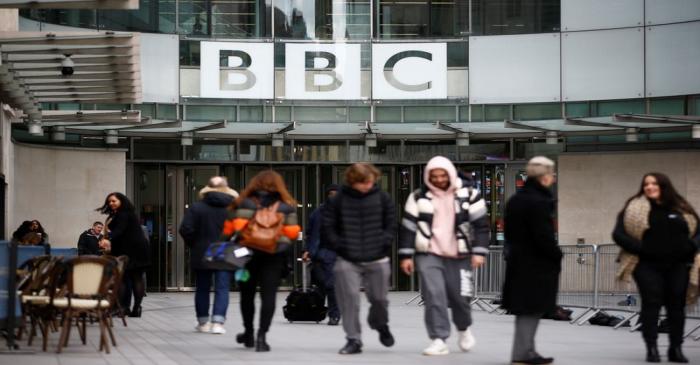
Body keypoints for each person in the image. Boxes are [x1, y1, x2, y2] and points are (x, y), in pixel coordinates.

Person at [398, 156, 490, 356]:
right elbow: (407, 228)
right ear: (427, 176)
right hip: (428, 253)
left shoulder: (470, 194)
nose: (439, 179)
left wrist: (479, 252)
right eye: (434, 176)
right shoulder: (417, 197)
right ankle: (438, 338)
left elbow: (481, 226)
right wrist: (405, 256)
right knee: (434, 295)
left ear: (450, 173)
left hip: (461, 254)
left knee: (460, 298)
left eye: (442, 175)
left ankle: (464, 328)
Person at [613, 173, 699, 363]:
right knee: (652, 302)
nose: (649, 187)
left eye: (654, 183)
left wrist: (691, 247)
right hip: (646, 265)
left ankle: (675, 348)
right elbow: (618, 234)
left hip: (677, 265)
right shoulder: (634, 206)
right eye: (646, 184)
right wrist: (641, 248)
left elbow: (697, 231)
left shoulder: (681, 206)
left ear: (664, 185)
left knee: (676, 306)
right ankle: (652, 348)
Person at [221, 170, 301, 352]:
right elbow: (292, 234)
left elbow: (229, 231)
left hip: (246, 256)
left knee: (246, 295)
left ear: (254, 184)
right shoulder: (285, 207)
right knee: (269, 296)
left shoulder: (242, 203)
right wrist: (277, 248)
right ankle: (262, 337)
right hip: (273, 257)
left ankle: (248, 333)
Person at [321, 163, 396, 355]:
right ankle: (353, 339)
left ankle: (380, 324)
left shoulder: (382, 198)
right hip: (347, 258)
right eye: (362, 183)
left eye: (370, 182)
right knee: (349, 299)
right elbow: (328, 226)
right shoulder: (338, 200)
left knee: (379, 299)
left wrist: (384, 242)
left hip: (377, 257)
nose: (366, 186)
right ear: (352, 181)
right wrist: (339, 245)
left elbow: (391, 224)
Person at [502, 156, 562, 365]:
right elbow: (543, 236)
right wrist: (557, 254)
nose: (553, 179)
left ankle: (527, 351)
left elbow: (509, 232)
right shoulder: (539, 201)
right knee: (531, 309)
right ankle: (522, 353)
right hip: (537, 265)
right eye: (552, 174)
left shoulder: (516, 199)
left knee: (526, 309)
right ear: (545, 177)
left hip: (519, 262)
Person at [179, 176, 239, 335]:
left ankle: (203, 322)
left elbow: (185, 229)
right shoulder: (233, 208)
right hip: (224, 251)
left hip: (202, 251)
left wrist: (195, 244)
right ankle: (218, 323)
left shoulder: (196, 207)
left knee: (202, 288)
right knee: (222, 288)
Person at [97, 192, 150, 318]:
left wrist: (108, 238)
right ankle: (135, 308)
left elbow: (119, 231)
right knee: (134, 278)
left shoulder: (123, 214)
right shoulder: (125, 214)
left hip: (131, 249)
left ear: (122, 201)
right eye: (109, 201)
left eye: (114, 201)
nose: (111, 203)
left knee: (124, 279)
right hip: (136, 248)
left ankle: (123, 308)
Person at [302, 183, 340, 326]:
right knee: (320, 284)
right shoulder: (318, 213)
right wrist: (307, 250)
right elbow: (311, 234)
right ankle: (319, 312)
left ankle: (334, 315)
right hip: (319, 253)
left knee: (331, 285)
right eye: (331, 194)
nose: (333, 197)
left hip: (335, 253)